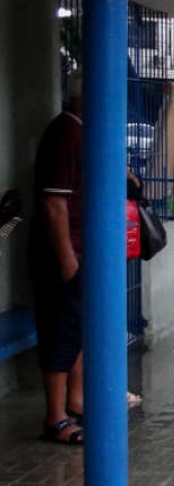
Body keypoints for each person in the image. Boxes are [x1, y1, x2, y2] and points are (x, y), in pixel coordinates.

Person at [28, 71, 87, 444]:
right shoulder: (66, 131)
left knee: (76, 330)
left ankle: (76, 404)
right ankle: (56, 416)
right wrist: (68, 263)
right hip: (63, 256)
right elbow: (54, 203)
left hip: (81, 252)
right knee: (60, 333)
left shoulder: (81, 131)